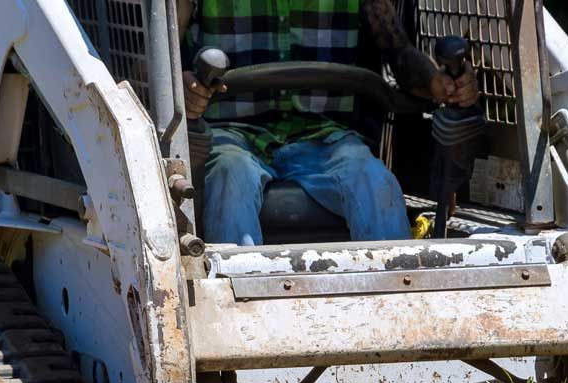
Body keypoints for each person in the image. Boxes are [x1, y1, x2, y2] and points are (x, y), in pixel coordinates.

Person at [180, 0, 480, 246]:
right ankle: (236, 305)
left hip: (324, 135)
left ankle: (396, 303)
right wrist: (184, 85)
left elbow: (399, 53)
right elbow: (156, 59)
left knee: (377, 184)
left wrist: (434, 81)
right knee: (229, 178)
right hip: (233, 134)